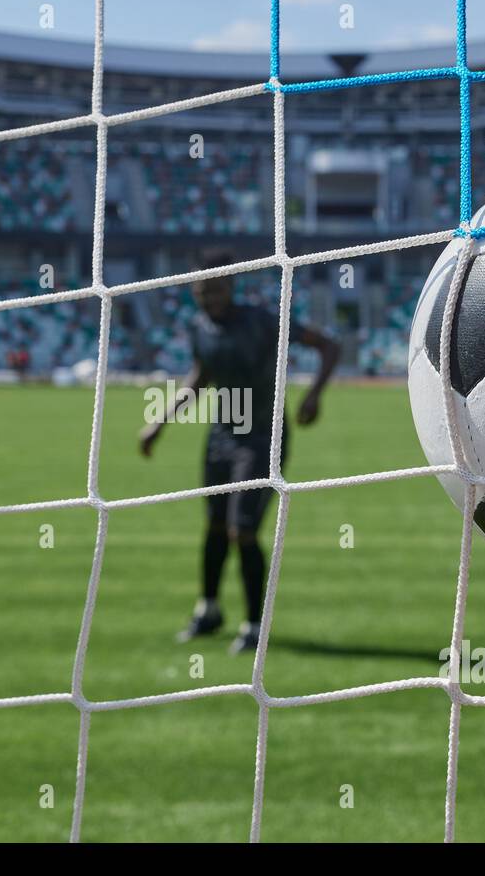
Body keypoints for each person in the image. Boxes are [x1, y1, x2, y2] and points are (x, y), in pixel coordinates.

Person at [139, 251, 340, 654]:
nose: (207, 299)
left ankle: (253, 625)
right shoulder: (199, 327)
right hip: (221, 437)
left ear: (231, 286)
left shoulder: (262, 322)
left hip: (262, 436)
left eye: (214, 290)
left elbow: (328, 347)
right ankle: (209, 610)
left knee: (242, 530)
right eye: (200, 292)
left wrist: (314, 396)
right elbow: (201, 375)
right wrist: (159, 421)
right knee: (214, 527)